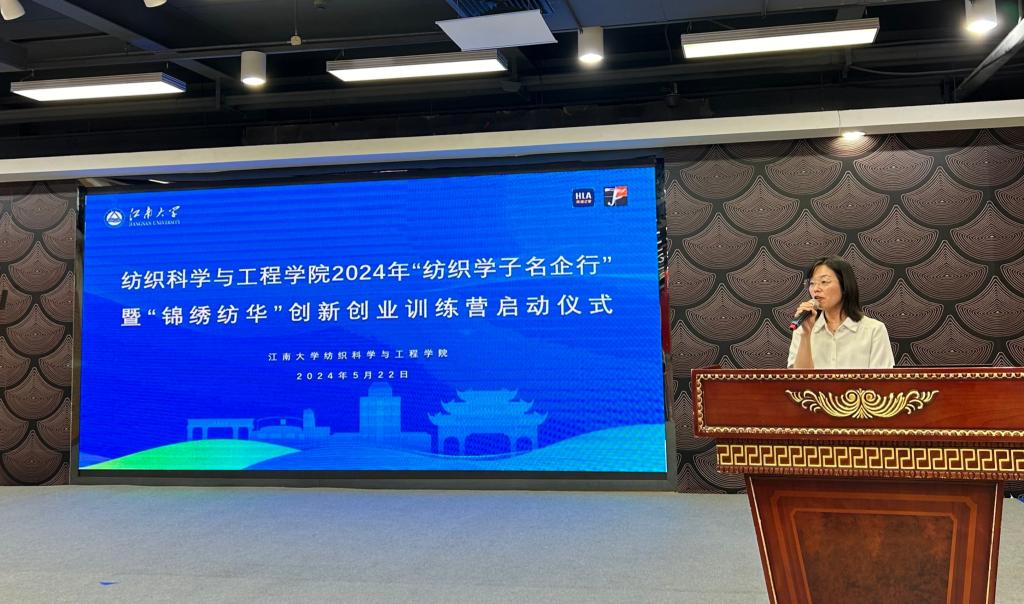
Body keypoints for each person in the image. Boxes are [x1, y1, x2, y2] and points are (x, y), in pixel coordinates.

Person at [787, 256, 894, 369]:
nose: (816, 289)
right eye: (812, 283)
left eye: (824, 281)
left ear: (844, 285)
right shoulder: (803, 329)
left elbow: (881, 378)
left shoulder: (874, 330)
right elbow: (799, 378)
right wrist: (806, 335)